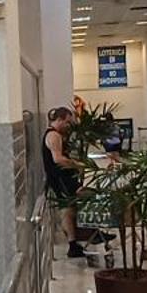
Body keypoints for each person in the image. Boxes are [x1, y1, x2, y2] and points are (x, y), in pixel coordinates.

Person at [42, 107, 91, 258]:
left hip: (64, 177)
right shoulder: (53, 136)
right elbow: (58, 159)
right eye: (68, 122)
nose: (69, 126)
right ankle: (73, 243)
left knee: (71, 208)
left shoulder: (57, 135)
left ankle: (80, 236)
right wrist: (77, 164)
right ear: (60, 119)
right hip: (60, 178)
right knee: (67, 210)